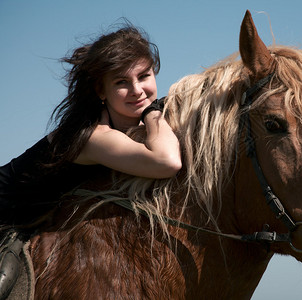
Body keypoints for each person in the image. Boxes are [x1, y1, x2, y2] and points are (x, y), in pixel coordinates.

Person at [0, 24, 182, 299]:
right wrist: (153, 112)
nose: (137, 90)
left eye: (144, 76)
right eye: (121, 82)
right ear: (101, 90)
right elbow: (167, 161)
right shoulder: (94, 136)